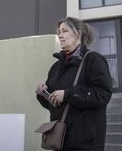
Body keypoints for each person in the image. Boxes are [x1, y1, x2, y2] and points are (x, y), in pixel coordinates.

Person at [36, 17, 112, 151]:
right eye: (59, 31)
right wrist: (43, 94)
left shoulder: (93, 59)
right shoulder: (56, 67)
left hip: (85, 143)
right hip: (60, 141)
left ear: (78, 33)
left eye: (64, 31)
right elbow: (53, 106)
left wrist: (68, 94)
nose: (60, 35)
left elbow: (102, 94)